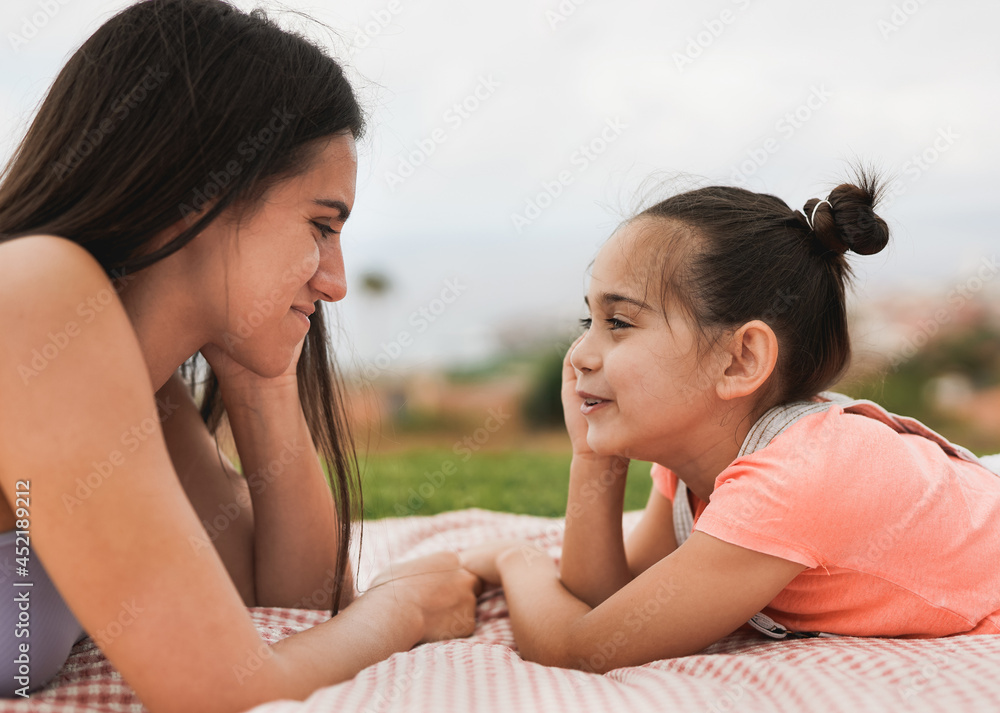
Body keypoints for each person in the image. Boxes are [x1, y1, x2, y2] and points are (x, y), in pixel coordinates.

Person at [0, 0, 479, 708]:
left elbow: (290, 607)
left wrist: (262, 378)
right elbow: (219, 692)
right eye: (320, 224)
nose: (336, 282)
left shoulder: (141, 394)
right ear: (203, 191)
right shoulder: (32, 293)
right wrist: (403, 608)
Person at [460, 171, 1000, 672]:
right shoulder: (698, 456)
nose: (579, 353)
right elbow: (611, 600)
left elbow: (583, 647)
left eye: (618, 322)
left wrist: (517, 560)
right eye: (589, 320)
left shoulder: (799, 477)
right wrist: (593, 455)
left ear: (740, 360)